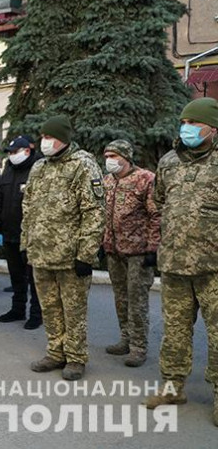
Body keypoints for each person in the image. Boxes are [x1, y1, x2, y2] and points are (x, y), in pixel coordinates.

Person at [144, 98, 218, 424]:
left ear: (212, 129)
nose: (186, 128)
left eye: (194, 123)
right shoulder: (169, 162)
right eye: (183, 122)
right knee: (174, 331)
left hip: (213, 266)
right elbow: (159, 200)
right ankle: (173, 387)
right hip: (174, 263)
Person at [22, 116, 105, 381]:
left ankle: (76, 358)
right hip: (42, 253)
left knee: (74, 311)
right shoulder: (39, 168)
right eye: (42, 137)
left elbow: (94, 212)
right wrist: (27, 242)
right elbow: (28, 207)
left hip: (71, 257)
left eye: (49, 137)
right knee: (50, 308)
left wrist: (86, 254)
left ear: (64, 139)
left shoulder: (83, 166)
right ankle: (56, 352)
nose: (44, 142)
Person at [101, 139, 161, 368]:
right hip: (114, 250)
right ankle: (125, 338)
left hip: (138, 252)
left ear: (126, 157)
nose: (109, 161)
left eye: (114, 156)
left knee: (137, 301)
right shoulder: (107, 180)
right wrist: (102, 242)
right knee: (120, 298)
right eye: (107, 156)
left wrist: (153, 248)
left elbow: (156, 215)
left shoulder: (146, 179)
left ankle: (139, 346)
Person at [0, 136, 43, 330]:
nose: (12, 156)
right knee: (16, 275)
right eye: (10, 153)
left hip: (31, 235)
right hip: (9, 232)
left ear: (27, 151)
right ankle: (18, 308)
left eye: (15, 152)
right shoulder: (8, 170)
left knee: (34, 277)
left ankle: (36, 313)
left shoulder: (37, 169)